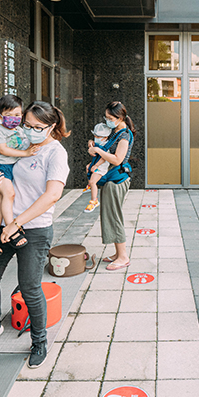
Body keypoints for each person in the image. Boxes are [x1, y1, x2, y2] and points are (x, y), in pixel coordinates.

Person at [0, 100, 70, 369]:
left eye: (37, 127)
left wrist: (17, 223)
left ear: (52, 126)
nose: (30, 130)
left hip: (33, 229)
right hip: (6, 226)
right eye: (27, 125)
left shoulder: (55, 154)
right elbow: (5, 178)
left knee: (30, 287)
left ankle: (39, 340)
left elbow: (52, 195)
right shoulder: (21, 143)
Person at [0, 94, 39, 254]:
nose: (14, 118)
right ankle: (12, 229)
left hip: (10, 168)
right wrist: (27, 153)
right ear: (0, 116)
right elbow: (3, 150)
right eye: (8, 115)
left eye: (17, 115)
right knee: (10, 195)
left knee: (0, 203)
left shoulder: (20, 131)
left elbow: (27, 143)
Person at [89, 101, 134, 271]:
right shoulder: (115, 132)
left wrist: (98, 151)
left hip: (117, 180)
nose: (107, 120)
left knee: (114, 217)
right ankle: (117, 253)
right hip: (110, 179)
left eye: (110, 118)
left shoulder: (125, 135)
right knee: (109, 215)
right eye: (106, 117)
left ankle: (123, 257)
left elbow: (117, 159)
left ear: (120, 117)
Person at [84, 123, 112, 212]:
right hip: (95, 162)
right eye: (95, 135)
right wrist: (90, 143)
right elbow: (91, 142)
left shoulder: (107, 146)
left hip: (101, 166)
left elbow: (104, 158)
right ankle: (90, 186)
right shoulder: (98, 142)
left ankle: (94, 201)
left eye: (98, 136)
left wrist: (96, 165)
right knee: (88, 167)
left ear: (105, 137)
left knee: (93, 181)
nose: (96, 137)